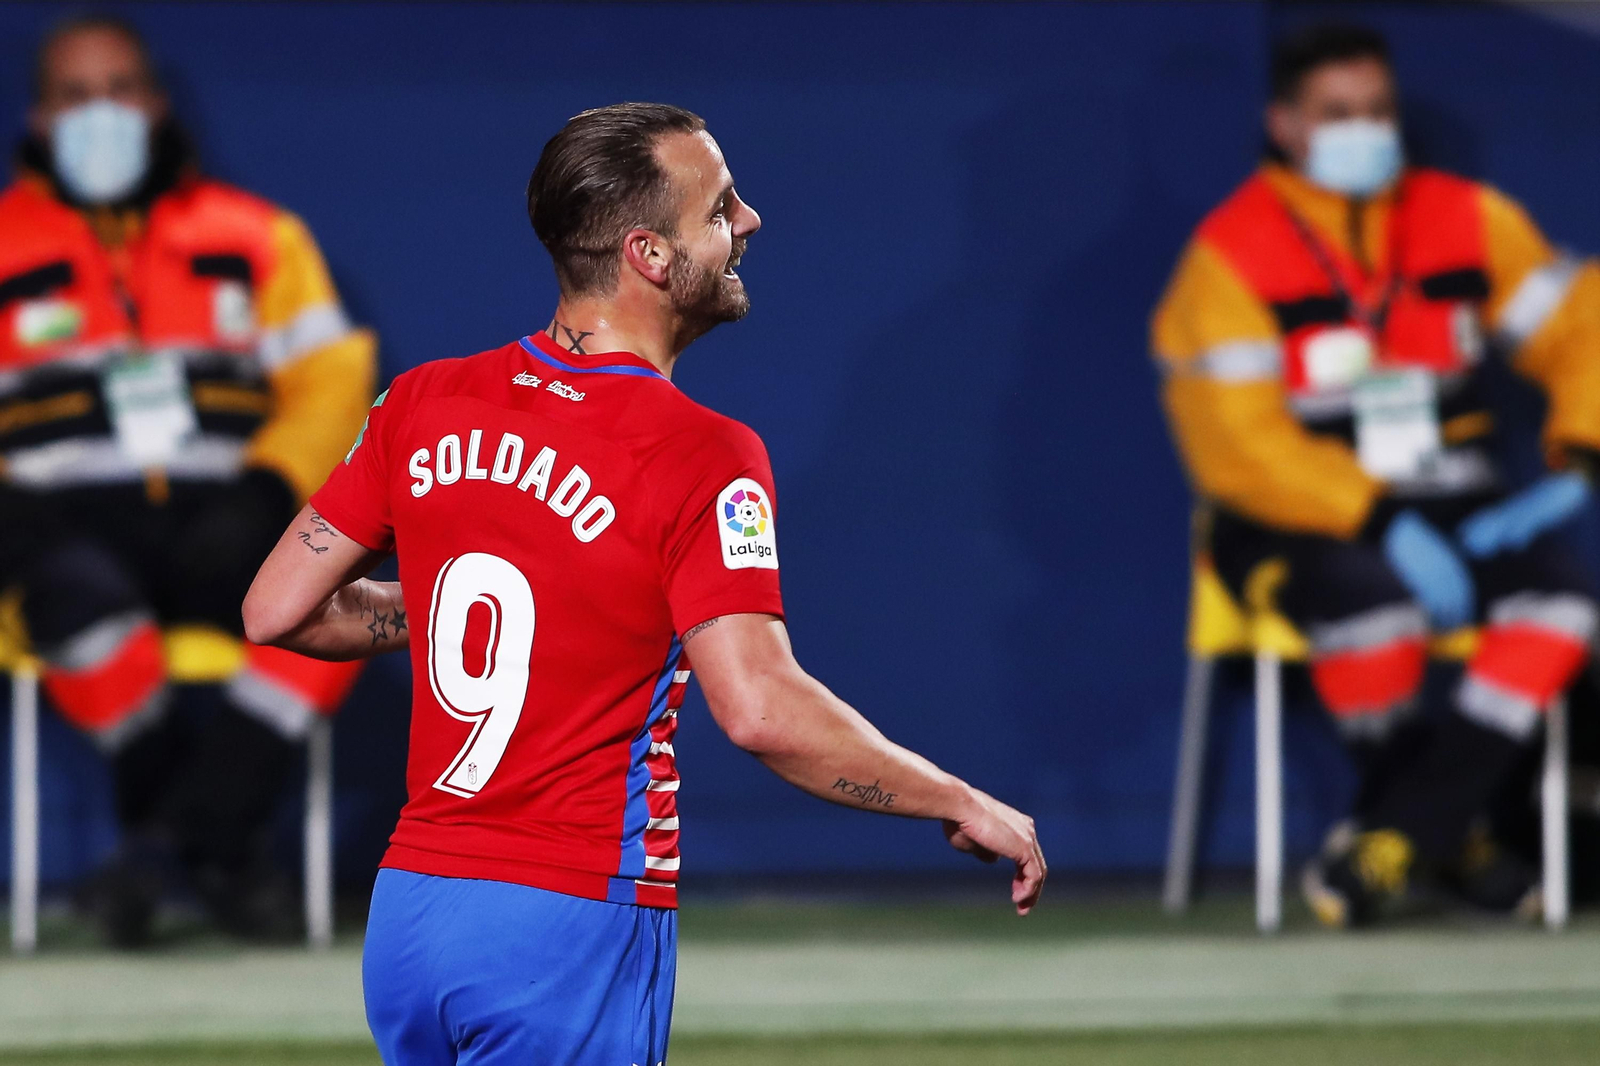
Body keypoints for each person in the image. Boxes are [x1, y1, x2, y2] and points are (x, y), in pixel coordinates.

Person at [244, 102, 1045, 1065]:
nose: (749, 224)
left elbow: (277, 609)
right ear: (650, 256)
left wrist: (486, 609)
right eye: (721, 209)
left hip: (413, 917)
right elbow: (758, 710)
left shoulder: (424, 400)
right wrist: (955, 799)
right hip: (566, 918)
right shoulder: (702, 452)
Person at [1152, 23, 1600, 926]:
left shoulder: (1469, 218)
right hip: (1293, 513)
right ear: (1284, 124)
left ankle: (1400, 838)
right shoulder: (1230, 252)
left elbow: (1580, 328)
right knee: (1373, 610)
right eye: (1338, 113)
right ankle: (1455, 836)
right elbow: (1237, 444)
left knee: (1562, 606)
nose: (1365, 129)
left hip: (1459, 496)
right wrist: (1376, 516)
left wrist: (1585, 453)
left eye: (1378, 110)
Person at [0, 15, 374, 943]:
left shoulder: (256, 236)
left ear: (157, 104)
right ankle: (215, 854)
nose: (103, 114)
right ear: (40, 116)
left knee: (330, 598)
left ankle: (163, 850)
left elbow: (331, 375)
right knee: (79, 600)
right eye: (76, 96)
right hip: (56, 523)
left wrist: (272, 485)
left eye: (121, 90)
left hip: (225, 508)